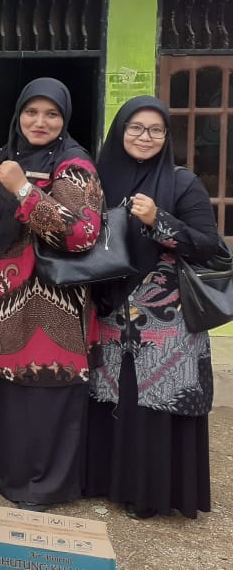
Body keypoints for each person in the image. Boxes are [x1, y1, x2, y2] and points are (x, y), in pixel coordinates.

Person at [0, 77, 102, 510]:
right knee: (7, 391)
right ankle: (11, 470)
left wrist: (24, 189)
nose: (39, 122)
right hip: (1, 303)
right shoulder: (10, 155)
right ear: (19, 114)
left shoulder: (73, 163)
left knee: (46, 391)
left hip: (48, 303)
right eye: (31, 112)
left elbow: (81, 233)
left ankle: (45, 485)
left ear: (64, 120)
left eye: (51, 114)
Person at [86, 96, 221, 520]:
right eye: (135, 127)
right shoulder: (98, 180)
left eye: (155, 130)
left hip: (168, 322)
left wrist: (159, 220)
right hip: (109, 312)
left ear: (167, 137)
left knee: (156, 401)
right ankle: (107, 483)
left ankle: (152, 494)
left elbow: (211, 248)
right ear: (119, 129)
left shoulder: (182, 184)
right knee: (113, 396)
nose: (145, 137)